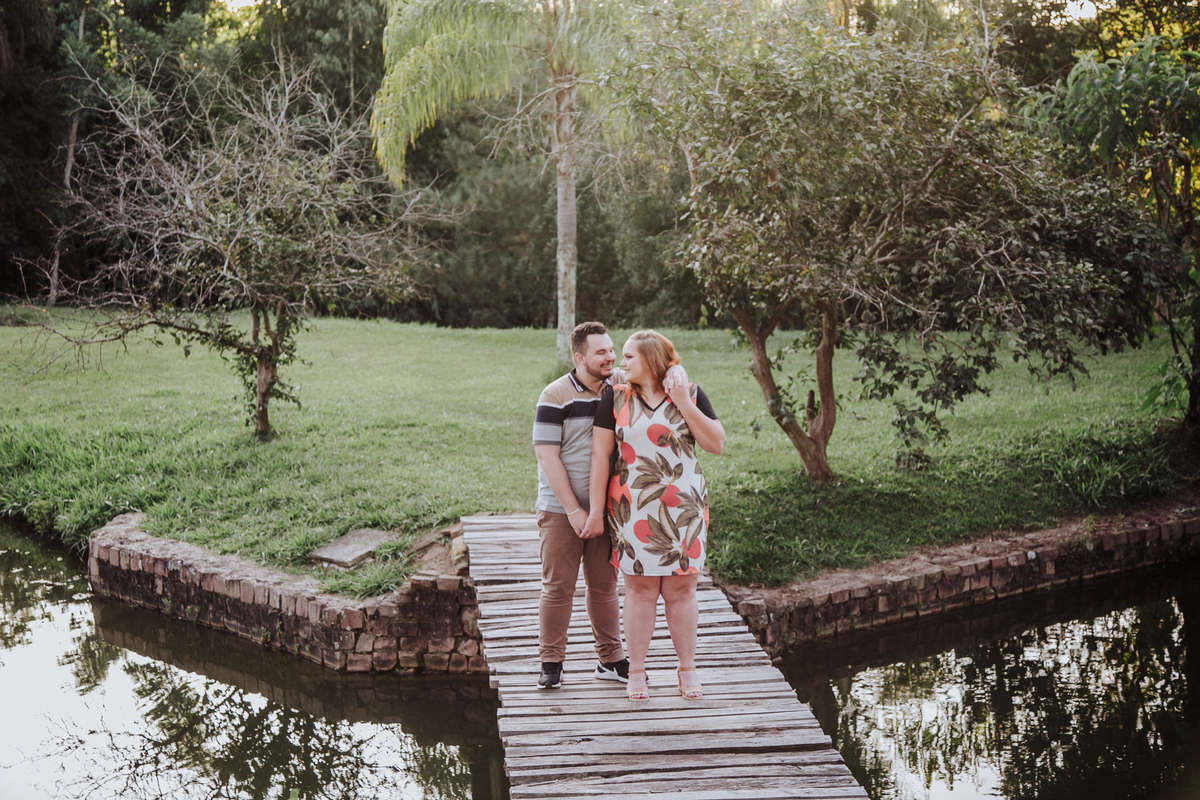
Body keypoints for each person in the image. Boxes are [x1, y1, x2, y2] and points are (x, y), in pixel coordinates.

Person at [532, 322, 687, 689]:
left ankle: (610, 659)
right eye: (601, 352)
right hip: (561, 508)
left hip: (609, 508)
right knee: (558, 586)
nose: (611, 357)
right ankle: (551, 662)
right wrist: (575, 511)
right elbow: (546, 457)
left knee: (604, 586)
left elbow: (659, 372)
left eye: (612, 350)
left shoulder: (620, 383)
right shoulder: (555, 395)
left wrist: (676, 371)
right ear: (579, 357)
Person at [582, 330, 724, 702]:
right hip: (633, 507)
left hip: (684, 507)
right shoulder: (615, 397)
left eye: (629, 356)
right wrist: (596, 511)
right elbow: (600, 458)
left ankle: (687, 668)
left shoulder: (690, 393)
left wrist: (683, 402)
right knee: (640, 590)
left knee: (682, 590)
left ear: (650, 359)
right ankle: (637, 671)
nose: (621, 362)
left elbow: (716, 444)